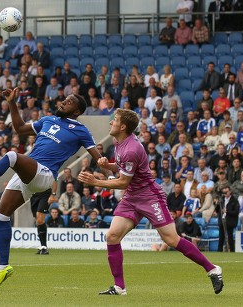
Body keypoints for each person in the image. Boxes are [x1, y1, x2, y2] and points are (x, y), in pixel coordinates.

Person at [0, 88, 104, 291]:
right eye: (64, 99)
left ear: (76, 111)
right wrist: (13, 103)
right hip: (29, 172)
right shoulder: (48, 120)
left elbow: (98, 158)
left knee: (12, 156)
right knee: (1, 215)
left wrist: (112, 171)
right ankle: (3, 267)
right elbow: (20, 128)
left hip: (45, 174)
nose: (63, 102)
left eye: (69, 102)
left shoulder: (81, 130)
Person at [77, 108, 223, 296]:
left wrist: (96, 181)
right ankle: (119, 287)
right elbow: (123, 167)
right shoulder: (117, 141)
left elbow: (122, 181)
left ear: (123, 126)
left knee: (170, 239)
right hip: (132, 197)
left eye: (114, 120)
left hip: (149, 196)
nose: (111, 122)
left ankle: (213, 269)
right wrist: (108, 165)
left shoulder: (132, 148)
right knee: (112, 236)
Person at [30, 182, 58, 255]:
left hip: (45, 194)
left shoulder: (49, 170)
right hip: (33, 194)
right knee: (38, 220)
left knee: (40, 219)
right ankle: (42, 246)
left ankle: (44, 246)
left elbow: (55, 179)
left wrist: (53, 194)